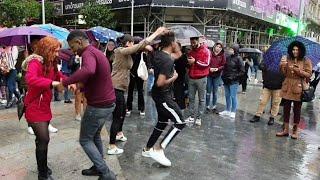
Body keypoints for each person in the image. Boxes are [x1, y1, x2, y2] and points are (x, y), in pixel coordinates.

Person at [62, 30, 117, 180]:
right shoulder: (95, 52)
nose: (73, 51)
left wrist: (66, 81)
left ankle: (105, 173)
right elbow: (96, 76)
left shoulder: (88, 53)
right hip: (107, 103)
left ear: (79, 41)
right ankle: (97, 167)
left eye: (72, 47)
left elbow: (89, 70)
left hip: (98, 106)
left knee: (85, 139)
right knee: (95, 135)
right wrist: (82, 86)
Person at [107, 27, 167, 155]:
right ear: (128, 43)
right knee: (117, 116)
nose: (133, 45)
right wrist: (156, 33)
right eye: (132, 43)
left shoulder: (126, 53)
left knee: (122, 112)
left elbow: (138, 48)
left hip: (121, 87)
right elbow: (138, 46)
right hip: (115, 87)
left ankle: (119, 133)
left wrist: (145, 48)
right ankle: (111, 146)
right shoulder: (120, 51)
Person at [141, 31, 186, 167]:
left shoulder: (160, 54)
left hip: (159, 95)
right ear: (172, 43)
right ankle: (159, 149)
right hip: (163, 96)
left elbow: (178, 55)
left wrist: (176, 46)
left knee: (162, 122)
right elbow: (160, 83)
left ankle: (147, 149)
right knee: (180, 122)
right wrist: (173, 78)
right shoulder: (166, 60)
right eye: (176, 42)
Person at [22, 36, 64, 180]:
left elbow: (59, 76)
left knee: (41, 140)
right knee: (44, 139)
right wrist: (51, 83)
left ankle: (43, 167)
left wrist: (67, 81)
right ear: (47, 50)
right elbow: (30, 79)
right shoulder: (35, 62)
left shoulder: (51, 62)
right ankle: (42, 174)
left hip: (44, 106)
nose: (58, 54)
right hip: (34, 106)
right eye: (55, 51)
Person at [276, 41, 312, 139]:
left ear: (300, 50)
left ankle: (295, 131)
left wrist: (298, 71)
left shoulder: (306, 60)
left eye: (297, 50)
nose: (295, 51)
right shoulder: (288, 58)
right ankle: (285, 130)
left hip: (298, 87)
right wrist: (282, 66)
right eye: (293, 49)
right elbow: (284, 73)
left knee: (297, 110)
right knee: (286, 108)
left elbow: (309, 74)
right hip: (287, 86)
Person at [185, 37, 211, 126]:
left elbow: (206, 64)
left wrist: (195, 61)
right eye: (191, 42)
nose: (192, 44)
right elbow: (190, 63)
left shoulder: (206, 51)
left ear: (198, 41)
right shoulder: (191, 51)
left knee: (201, 99)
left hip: (201, 78)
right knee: (191, 98)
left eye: (194, 42)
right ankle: (191, 116)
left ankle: (199, 117)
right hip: (191, 77)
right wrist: (189, 62)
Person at [250, 60, 285, 125]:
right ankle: (257, 116)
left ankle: (272, 118)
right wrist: (264, 64)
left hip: (278, 88)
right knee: (262, 101)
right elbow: (260, 66)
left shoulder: (283, 62)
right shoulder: (268, 59)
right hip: (267, 86)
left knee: (275, 103)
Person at [219, 44, 245, 119]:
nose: (230, 50)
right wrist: (223, 76)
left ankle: (233, 111)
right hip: (226, 79)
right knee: (227, 96)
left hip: (234, 81)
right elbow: (225, 67)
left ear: (235, 50)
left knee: (233, 96)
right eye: (230, 49)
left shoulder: (239, 59)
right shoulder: (228, 57)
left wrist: (234, 76)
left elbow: (242, 71)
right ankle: (227, 110)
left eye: (232, 49)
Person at [126, 37, 148, 116]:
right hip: (131, 74)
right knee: (130, 92)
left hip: (139, 75)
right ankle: (128, 107)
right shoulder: (130, 53)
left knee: (140, 92)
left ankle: (141, 108)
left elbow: (146, 64)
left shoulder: (142, 54)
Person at [206, 41, 226, 111]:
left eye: (220, 47)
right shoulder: (210, 53)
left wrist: (217, 69)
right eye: (217, 46)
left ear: (221, 49)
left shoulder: (222, 55)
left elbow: (223, 65)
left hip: (217, 76)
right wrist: (209, 69)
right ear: (214, 46)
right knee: (208, 91)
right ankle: (207, 105)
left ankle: (214, 106)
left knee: (215, 92)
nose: (218, 48)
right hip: (209, 75)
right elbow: (206, 62)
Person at [173, 43, 188, 110]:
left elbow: (184, 66)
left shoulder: (183, 55)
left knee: (179, 91)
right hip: (175, 76)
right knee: (176, 91)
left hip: (180, 76)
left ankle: (180, 106)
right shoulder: (174, 55)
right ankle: (178, 105)